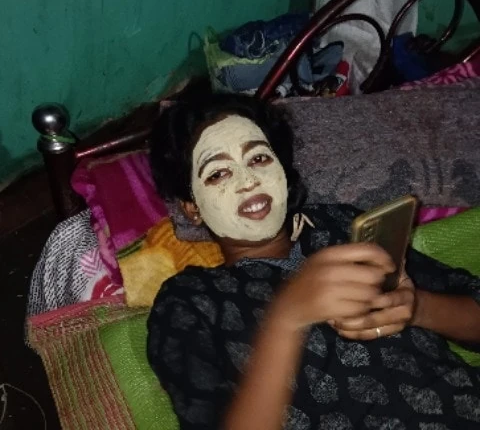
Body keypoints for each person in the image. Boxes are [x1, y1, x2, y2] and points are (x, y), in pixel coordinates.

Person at [147, 94, 480, 430]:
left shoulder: (343, 225)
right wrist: (286, 321)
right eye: (218, 173)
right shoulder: (191, 300)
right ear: (192, 207)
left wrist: (417, 308)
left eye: (259, 158)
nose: (248, 181)